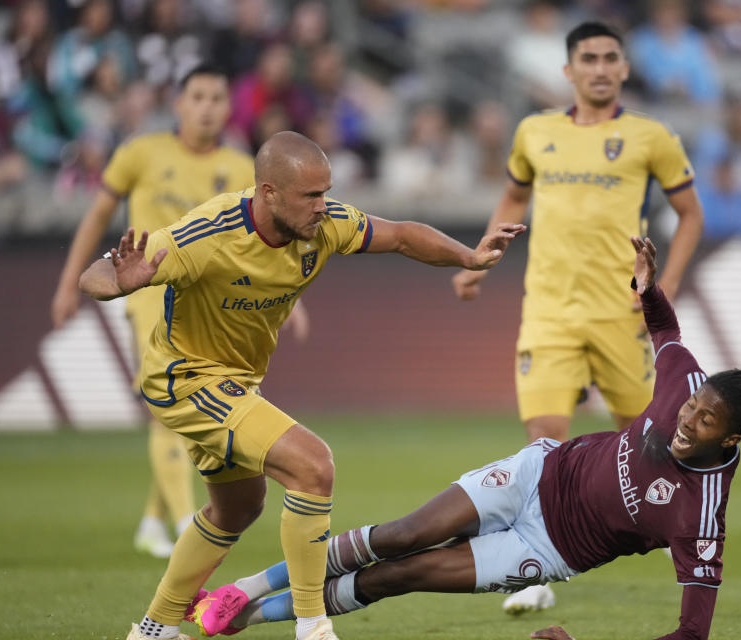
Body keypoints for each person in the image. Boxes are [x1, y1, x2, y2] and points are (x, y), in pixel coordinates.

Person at [193, 237, 741, 640]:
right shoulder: (686, 384)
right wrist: (648, 287)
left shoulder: (701, 517)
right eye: (693, 407)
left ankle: (248, 617)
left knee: (404, 574)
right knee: (403, 534)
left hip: (550, 548)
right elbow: (667, 332)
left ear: (727, 443)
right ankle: (240, 590)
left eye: (703, 423)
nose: (686, 421)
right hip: (537, 474)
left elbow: (692, 635)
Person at [78, 130, 525, 640]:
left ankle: (153, 629)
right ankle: (313, 627)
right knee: (312, 466)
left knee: (237, 509)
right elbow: (97, 275)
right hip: (184, 377)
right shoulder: (204, 236)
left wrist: (468, 257)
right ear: (268, 193)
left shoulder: (325, 225)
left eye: (326, 192)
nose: (323, 206)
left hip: (234, 382)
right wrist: (120, 282)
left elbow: (400, 235)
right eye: (311, 195)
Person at [452, 22, 704, 610]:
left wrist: (661, 291)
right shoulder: (534, 132)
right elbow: (514, 199)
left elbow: (690, 214)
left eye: (609, 57)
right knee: (544, 444)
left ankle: (681, 534)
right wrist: (479, 260)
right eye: (586, 58)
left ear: (622, 69)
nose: (597, 67)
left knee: (653, 441)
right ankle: (534, 571)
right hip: (548, 313)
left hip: (622, 314)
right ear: (567, 71)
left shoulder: (651, 136)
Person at [50, 63, 257, 559]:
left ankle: (151, 520)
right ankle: (190, 522)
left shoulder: (243, 168)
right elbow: (98, 213)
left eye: (216, 98)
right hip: (147, 295)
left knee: (191, 408)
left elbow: (257, 245)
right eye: (198, 97)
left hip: (210, 305)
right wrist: (66, 285)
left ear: (229, 108)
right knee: (167, 405)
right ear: (179, 104)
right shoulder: (142, 153)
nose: (207, 107)